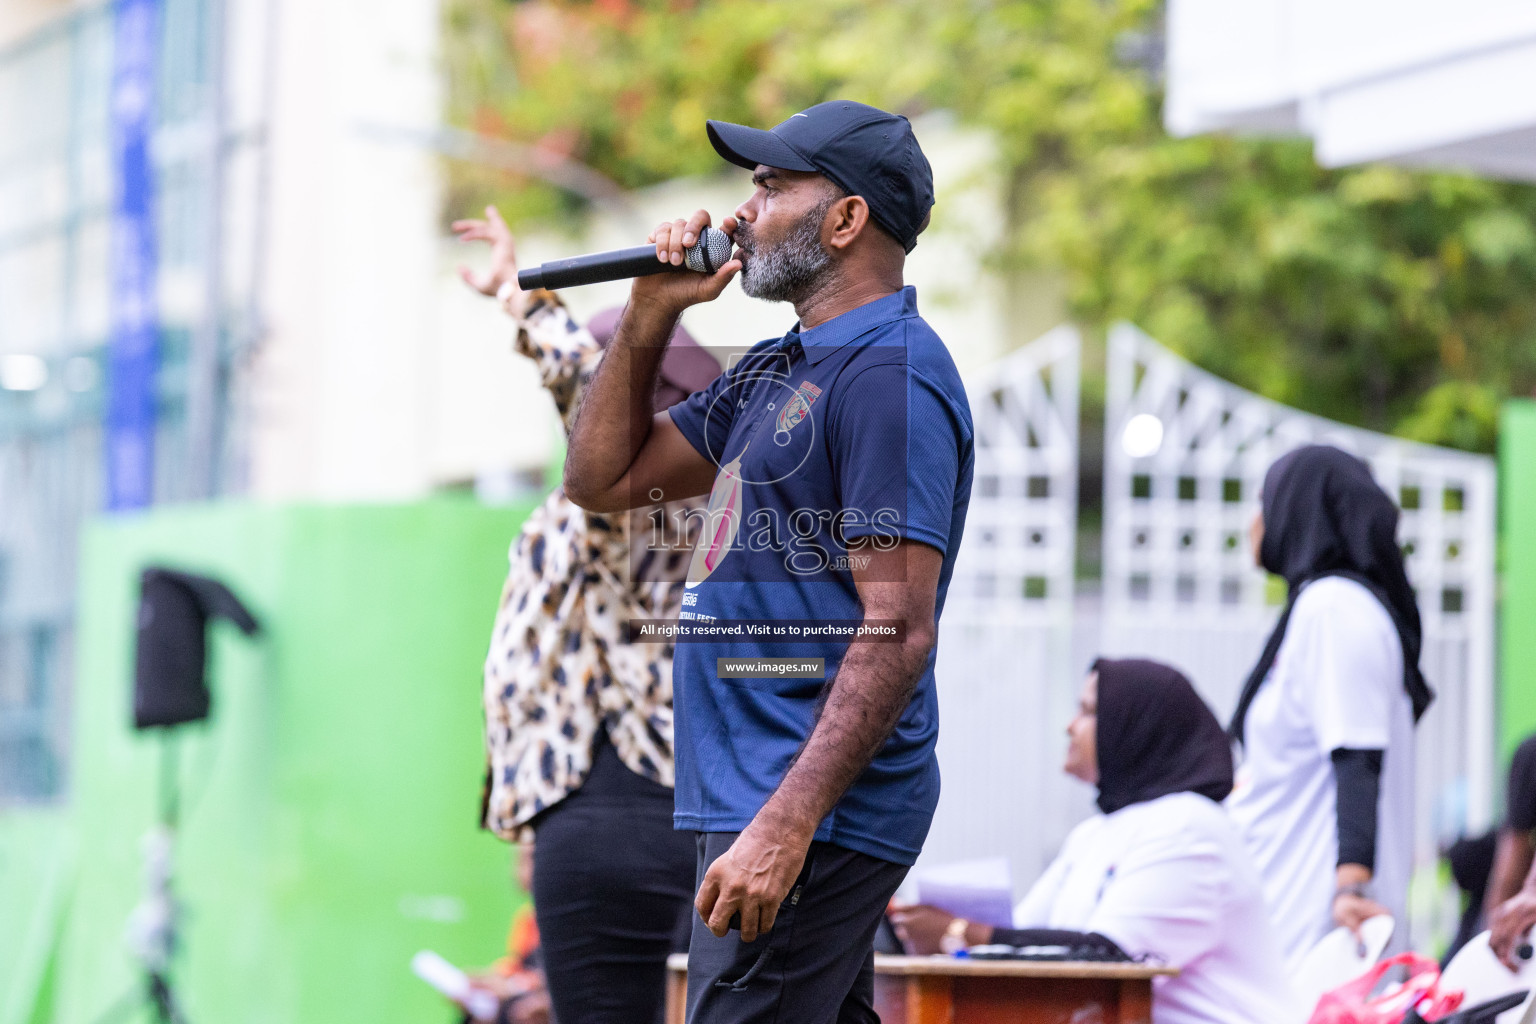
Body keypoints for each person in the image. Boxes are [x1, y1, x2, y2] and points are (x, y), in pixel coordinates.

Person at [561, 100, 974, 1024]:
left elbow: (898, 627)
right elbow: (600, 478)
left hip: (802, 808)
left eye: (772, 185)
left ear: (846, 220)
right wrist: (648, 311)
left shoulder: (887, 376)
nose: (742, 212)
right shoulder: (780, 365)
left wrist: (786, 825)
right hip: (757, 793)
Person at [455, 206, 720, 1024]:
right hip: (632, 802)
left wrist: (521, 294)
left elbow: (583, 383)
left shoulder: (641, 503)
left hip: (622, 802)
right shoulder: (708, 502)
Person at [890, 659, 1295, 1024]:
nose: (1070, 725)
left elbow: (1108, 958)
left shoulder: (1190, 826)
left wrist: (957, 932)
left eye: (1088, 711)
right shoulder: (1097, 832)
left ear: (1137, 728)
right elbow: (1026, 940)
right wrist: (917, 924)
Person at [1226, 445, 1432, 966]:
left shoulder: (1335, 609)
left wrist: (1352, 890)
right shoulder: (1320, 608)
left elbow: (1357, 758)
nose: (1254, 523)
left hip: (1312, 940)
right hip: (1287, 928)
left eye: (1263, 502)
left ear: (1296, 508)